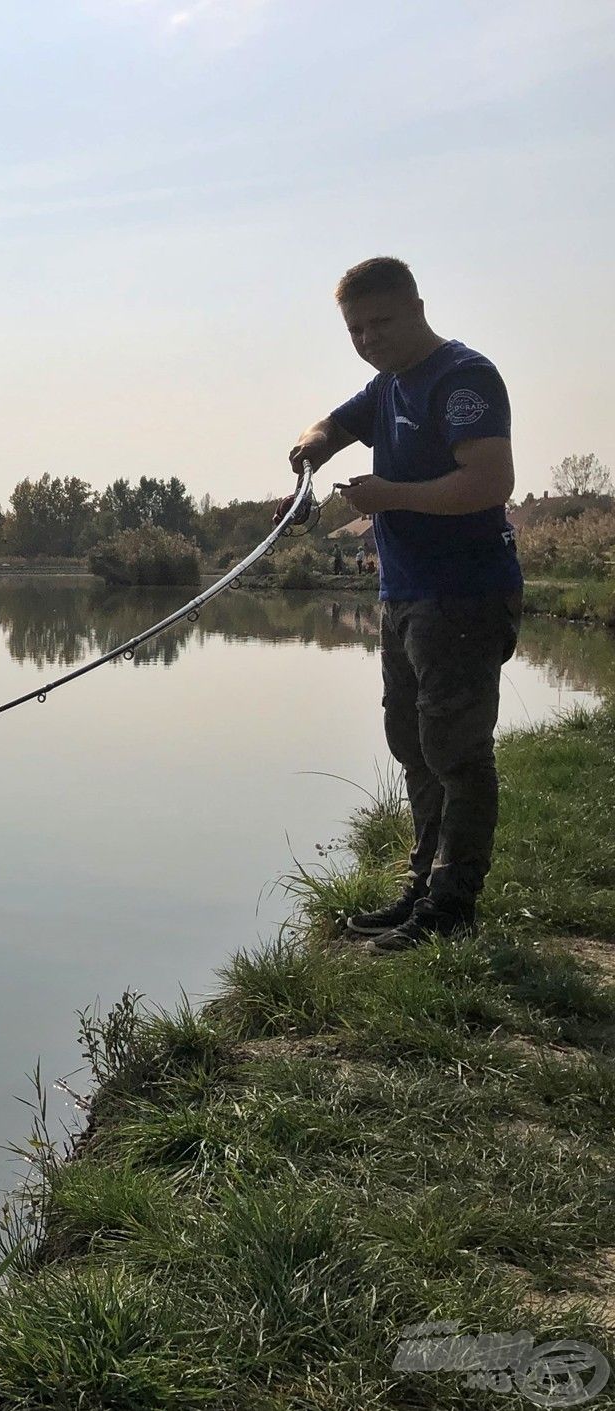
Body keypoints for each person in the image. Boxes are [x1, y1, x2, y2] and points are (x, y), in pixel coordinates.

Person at [285, 256, 523, 950]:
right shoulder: (386, 385)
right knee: (412, 742)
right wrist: (309, 452)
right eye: (356, 329)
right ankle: (423, 886)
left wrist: (389, 495)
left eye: (380, 322)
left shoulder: (462, 378)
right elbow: (331, 423)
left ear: (417, 306)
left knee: (456, 750)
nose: (368, 338)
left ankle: (453, 907)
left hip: (466, 595)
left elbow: (489, 479)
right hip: (405, 594)